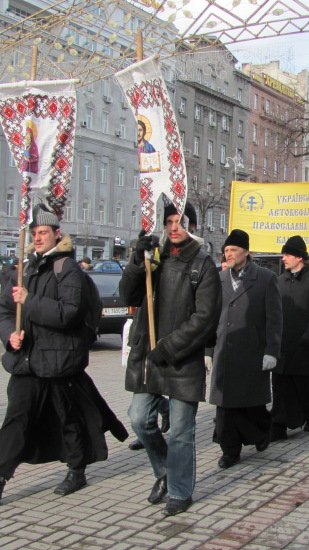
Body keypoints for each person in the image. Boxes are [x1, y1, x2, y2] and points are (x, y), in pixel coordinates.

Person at [0, 204, 128, 505]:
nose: (37, 237)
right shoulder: (23, 269)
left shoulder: (66, 269)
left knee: (68, 417)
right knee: (16, 417)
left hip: (59, 359)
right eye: (34, 232)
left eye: (43, 232)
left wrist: (29, 300)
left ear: (57, 234)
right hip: (27, 360)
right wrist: (9, 335)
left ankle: (76, 470)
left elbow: (68, 313)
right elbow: (4, 312)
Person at [120, 201, 221, 517]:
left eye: (180, 222)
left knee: (180, 431)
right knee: (139, 419)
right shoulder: (154, 258)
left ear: (191, 226)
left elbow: (205, 318)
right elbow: (128, 296)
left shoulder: (203, 264)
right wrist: (137, 260)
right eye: (169, 222)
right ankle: (164, 470)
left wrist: (169, 346)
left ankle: (179, 490)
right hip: (148, 357)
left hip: (182, 359)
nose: (174, 227)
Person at [209, 229, 282, 468]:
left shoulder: (265, 278)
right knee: (225, 407)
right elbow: (209, 318)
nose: (229, 254)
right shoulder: (219, 279)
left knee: (250, 404)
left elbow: (274, 319)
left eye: (234, 250)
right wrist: (207, 352)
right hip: (224, 351)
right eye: (226, 250)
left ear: (246, 252)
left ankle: (261, 431)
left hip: (252, 351)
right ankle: (229, 450)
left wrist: (272, 351)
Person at [270, 236, 309, 440]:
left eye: (287, 254)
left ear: (299, 257)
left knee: (306, 387)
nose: (283, 258)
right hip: (282, 347)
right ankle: (279, 424)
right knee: (280, 387)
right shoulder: (279, 282)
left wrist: (307, 339)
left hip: (305, 348)